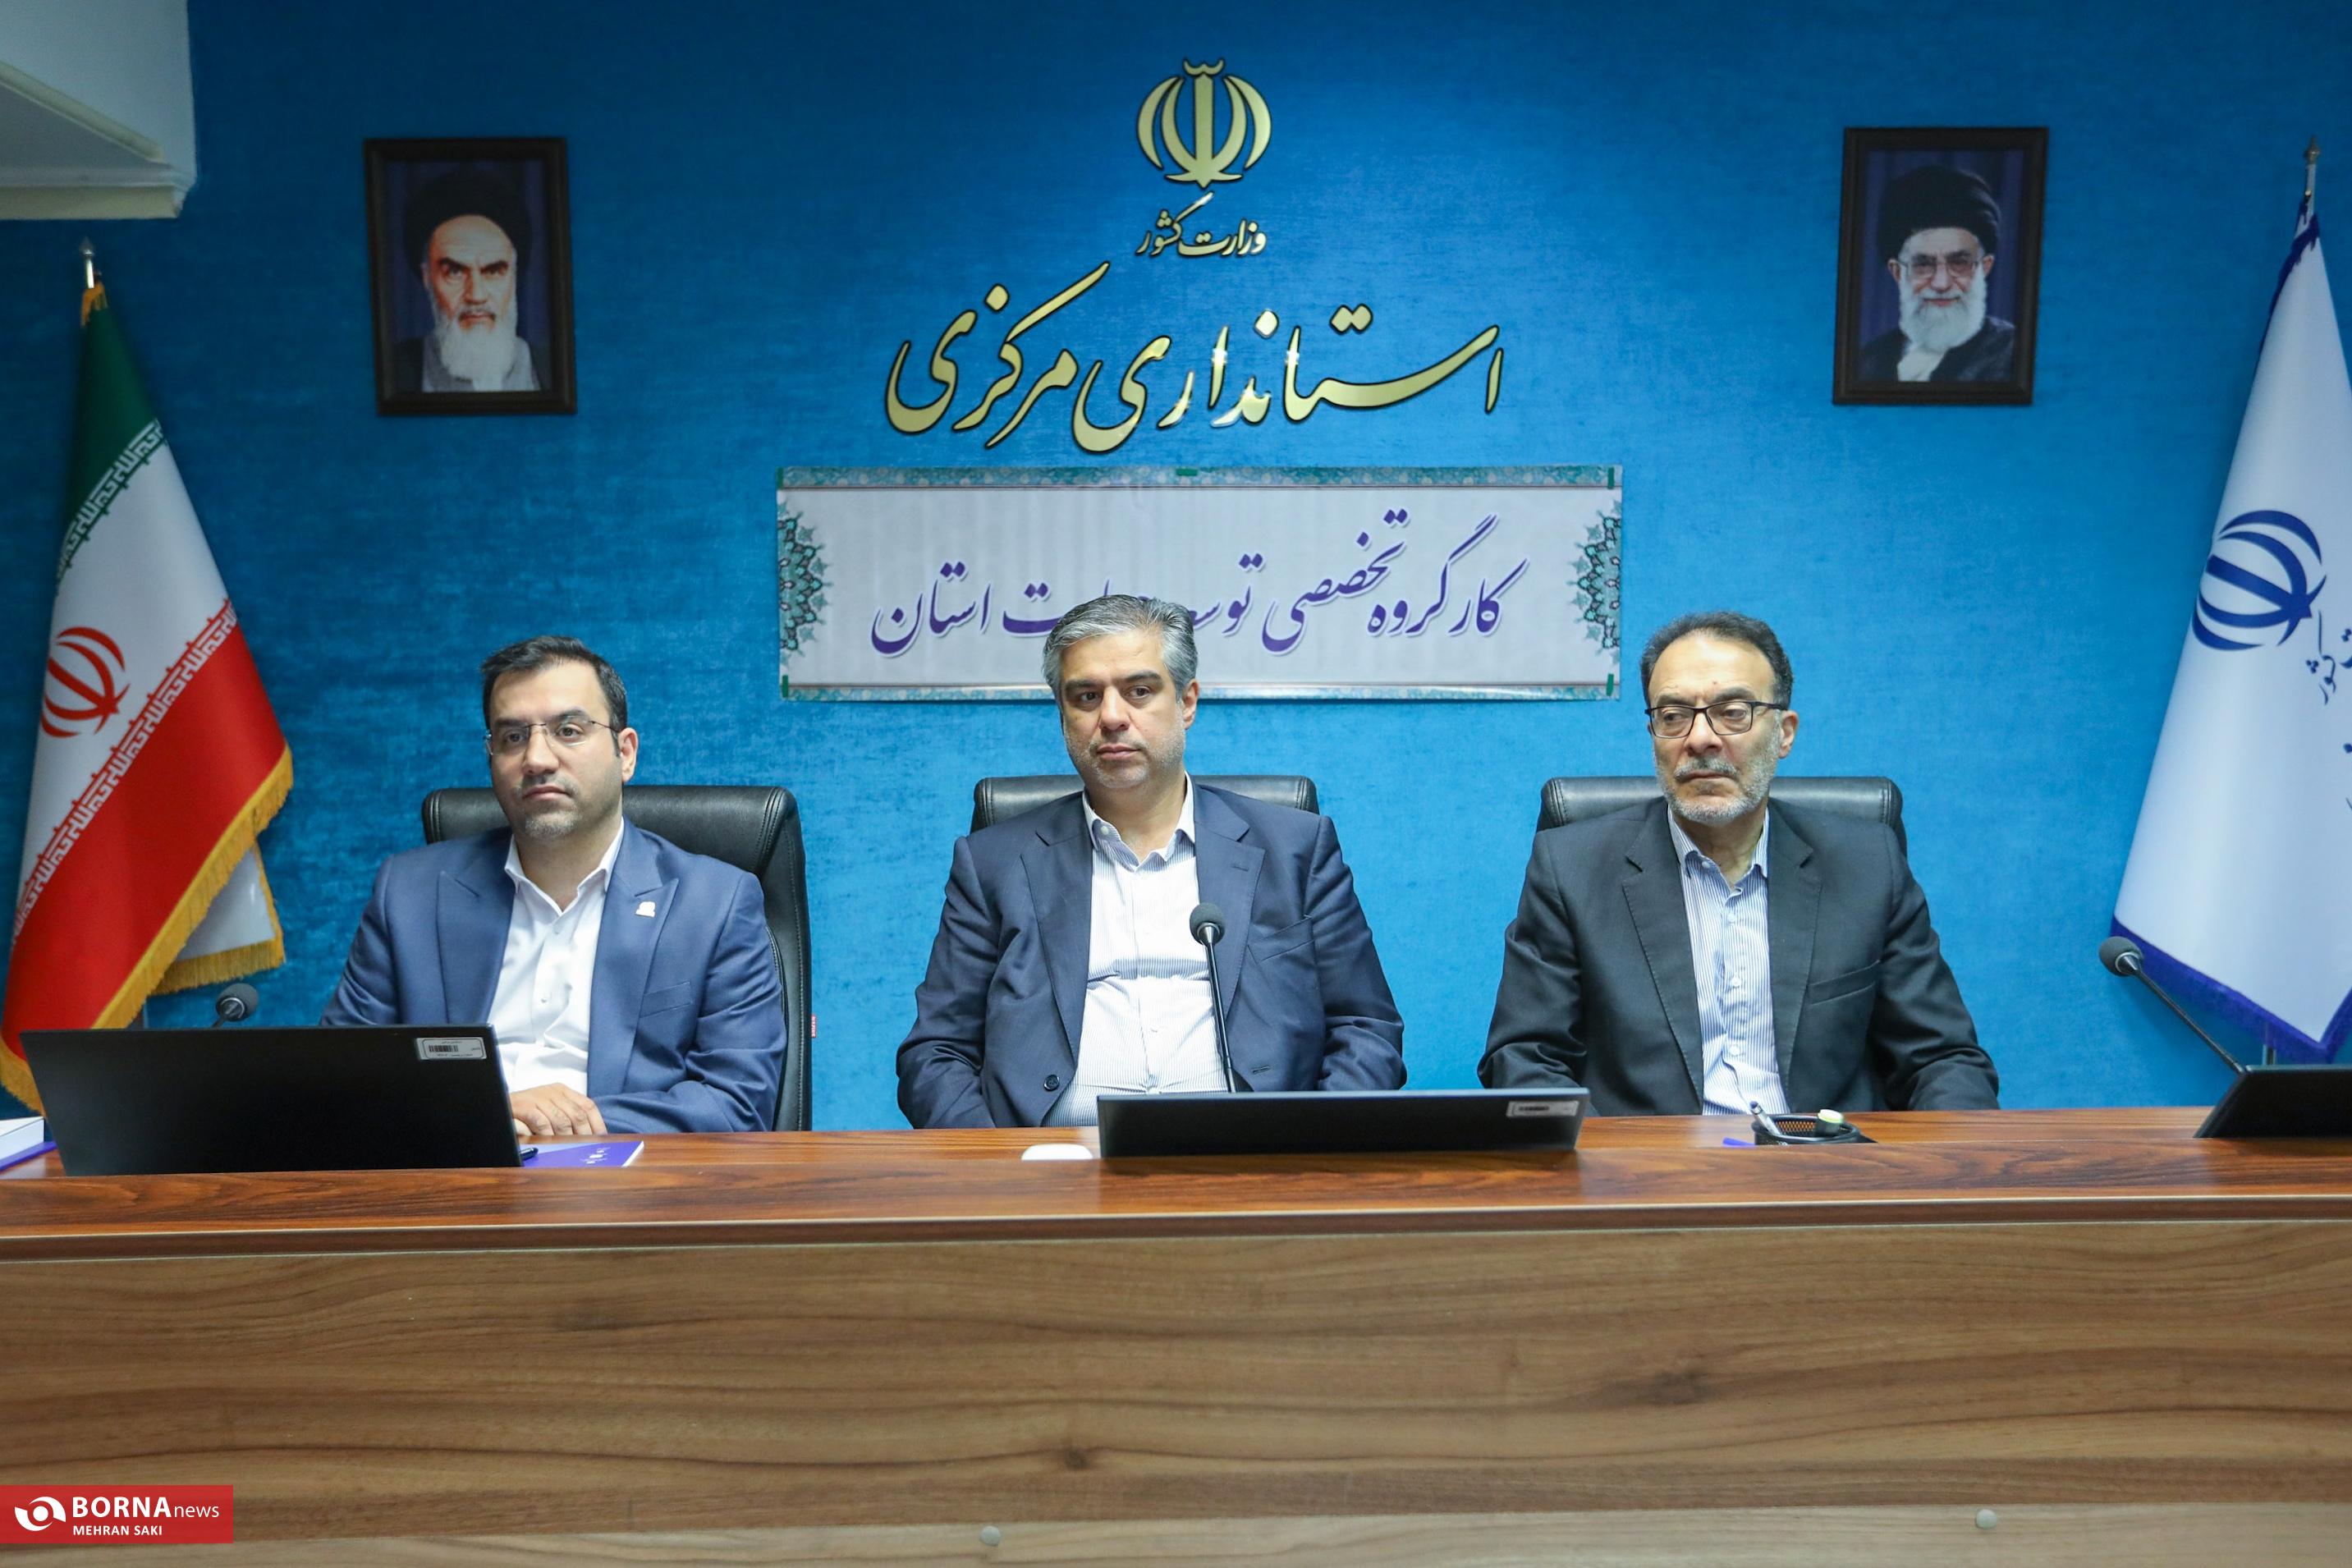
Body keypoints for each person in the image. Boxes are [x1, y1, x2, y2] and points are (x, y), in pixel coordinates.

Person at [897, 594, 1405, 1128]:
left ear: (1186, 701)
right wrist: (1004, 1165)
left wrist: (1306, 1153)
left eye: (1139, 691)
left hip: (1251, 1156)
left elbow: (1365, 1029)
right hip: (1052, 1161)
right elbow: (936, 1052)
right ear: (1063, 714)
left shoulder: (1294, 848)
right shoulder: (994, 864)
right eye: (1086, 696)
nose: (1112, 717)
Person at [1480, 610, 1997, 1115]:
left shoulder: (1867, 866)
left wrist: (1951, 1166)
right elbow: (1526, 1058)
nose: (1700, 739)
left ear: (1785, 733)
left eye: (1733, 712)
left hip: (1825, 1161)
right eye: (1673, 716)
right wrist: (1603, 1163)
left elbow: (1941, 1059)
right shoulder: (1572, 869)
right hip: (1647, 1164)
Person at [323, 636, 786, 1135]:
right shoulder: (409, 893)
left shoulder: (714, 904)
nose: (537, 759)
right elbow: (340, 1086)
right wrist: (489, 1115)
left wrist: (553, 1125)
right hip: (453, 1170)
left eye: (568, 731)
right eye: (513, 736)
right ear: (491, 757)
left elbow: (735, 1105)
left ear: (625, 753)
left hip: (626, 1174)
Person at [1855, 163, 2015, 383]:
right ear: (1897, 272)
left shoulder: (2013, 353)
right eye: (1923, 264)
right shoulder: (1868, 360)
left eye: (1959, 263)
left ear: (1985, 267)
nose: (1941, 284)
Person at [392, 167, 543, 393]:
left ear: (513, 276)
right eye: (455, 272)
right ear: (427, 277)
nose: (476, 295)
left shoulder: (551, 370)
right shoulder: (394, 372)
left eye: (494, 271)